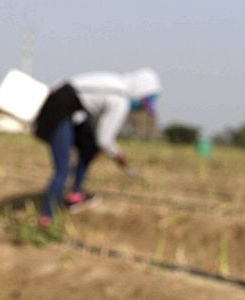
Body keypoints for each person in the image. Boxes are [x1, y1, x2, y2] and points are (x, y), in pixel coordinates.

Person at [33, 68, 162, 224]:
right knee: (63, 169)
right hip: (59, 110)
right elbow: (104, 140)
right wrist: (119, 156)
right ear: (140, 91)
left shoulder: (116, 85)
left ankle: (75, 195)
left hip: (66, 107)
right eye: (143, 102)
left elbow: (96, 129)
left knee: (90, 147)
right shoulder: (120, 99)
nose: (141, 107)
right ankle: (47, 217)